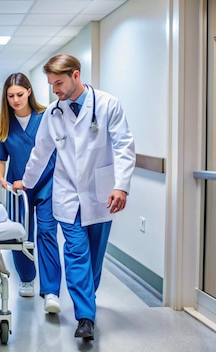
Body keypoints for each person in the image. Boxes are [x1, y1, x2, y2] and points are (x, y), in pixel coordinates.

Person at [13, 54, 136, 340]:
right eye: (51, 84)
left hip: (102, 193)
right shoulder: (53, 114)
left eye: (59, 83)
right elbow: (40, 152)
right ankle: (84, 318)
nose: (54, 90)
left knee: (94, 257)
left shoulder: (108, 105)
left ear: (76, 76)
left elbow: (124, 147)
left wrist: (122, 186)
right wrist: (26, 183)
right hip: (67, 193)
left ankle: (86, 301)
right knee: (75, 252)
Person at [0, 73, 63, 314]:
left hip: (48, 184)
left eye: (19, 94)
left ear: (29, 91)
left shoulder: (46, 117)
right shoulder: (2, 122)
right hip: (18, 186)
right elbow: (0, 157)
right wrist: (1, 179)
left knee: (48, 233)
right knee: (20, 234)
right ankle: (27, 279)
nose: (16, 100)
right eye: (10, 96)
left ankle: (51, 291)